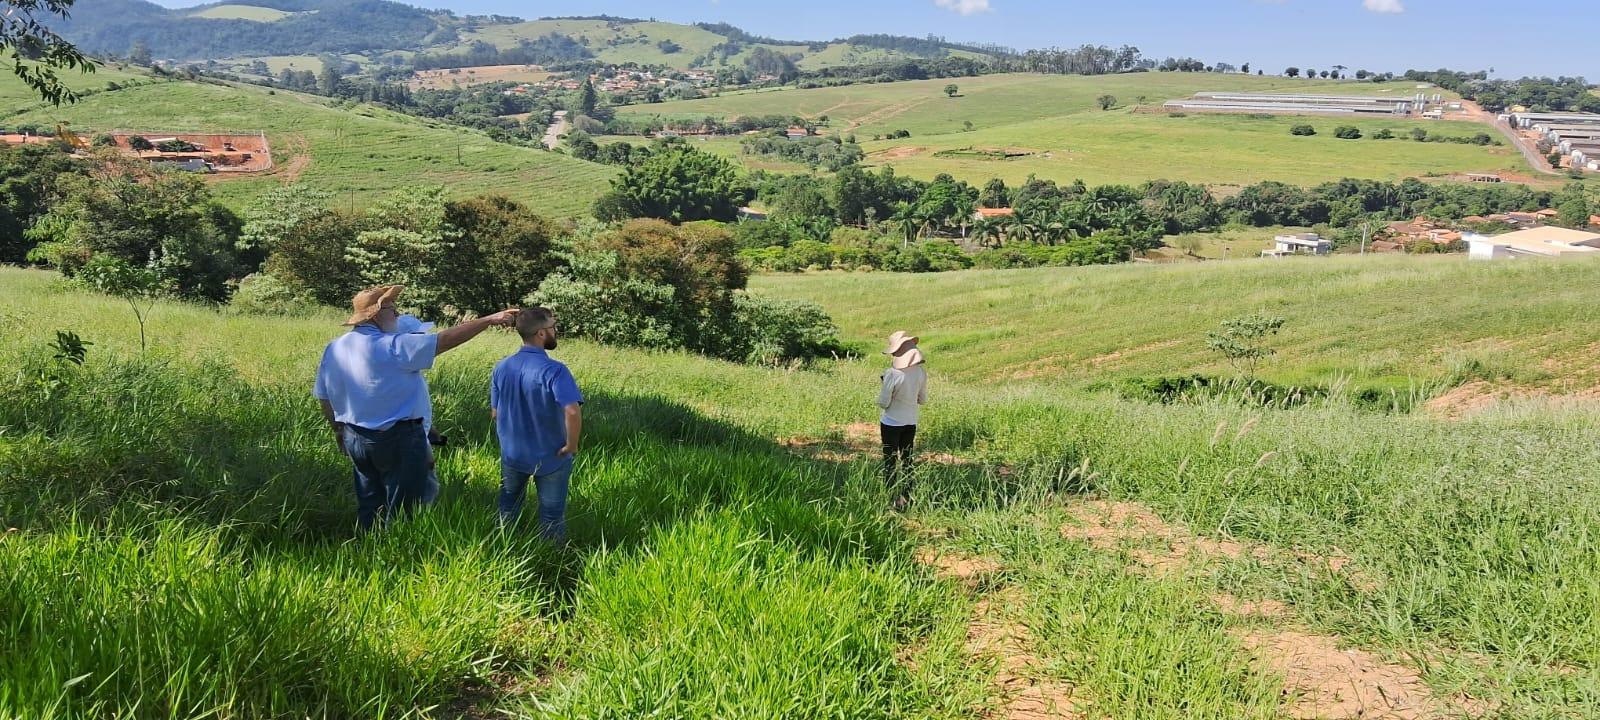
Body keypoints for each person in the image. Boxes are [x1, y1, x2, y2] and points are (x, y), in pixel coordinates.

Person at [314, 285, 517, 529]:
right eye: (392, 309)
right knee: (404, 510)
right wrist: (489, 319)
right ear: (376, 314)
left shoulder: (335, 348)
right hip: (397, 438)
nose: (397, 315)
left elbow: (324, 397)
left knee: (370, 502)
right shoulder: (393, 346)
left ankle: (368, 549)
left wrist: (338, 431)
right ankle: (397, 557)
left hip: (355, 436)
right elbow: (445, 339)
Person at [491, 307, 583, 541]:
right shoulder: (555, 371)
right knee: (551, 516)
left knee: (508, 509)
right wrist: (571, 446)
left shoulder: (501, 367)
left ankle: (502, 550)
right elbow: (572, 411)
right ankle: (551, 562)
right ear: (541, 333)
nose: (555, 331)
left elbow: (495, 413)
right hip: (552, 454)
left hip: (513, 454)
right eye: (553, 327)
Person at [877, 330, 927, 511]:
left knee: (890, 461)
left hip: (891, 422)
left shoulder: (892, 374)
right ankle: (907, 496)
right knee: (907, 459)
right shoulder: (921, 373)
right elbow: (923, 400)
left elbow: (883, 403)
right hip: (910, 422)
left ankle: (890, 497)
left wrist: (885, 385)